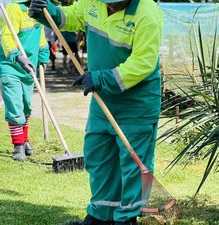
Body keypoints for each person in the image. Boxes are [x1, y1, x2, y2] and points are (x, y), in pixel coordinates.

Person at [28, 0, 163, 224]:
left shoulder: (147, 12)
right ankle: (100, 216)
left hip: (136, 102)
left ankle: (126, 218)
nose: (110, 6)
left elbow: (144, 61)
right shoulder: (93, 2)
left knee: (132, 165)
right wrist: (46, 12)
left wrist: (101, 77)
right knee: (98, 157)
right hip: (104, 99)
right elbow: (70, 16)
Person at [0, 0, 49, 161]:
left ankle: (24, 140)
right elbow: (7, 36)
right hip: (10, 65)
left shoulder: (38, 10)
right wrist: (17, 56)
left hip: (29, 68)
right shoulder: (14, 8)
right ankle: (18, 145)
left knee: (26, 105)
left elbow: (40, 37)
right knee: (15, 105)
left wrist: (43, 55)